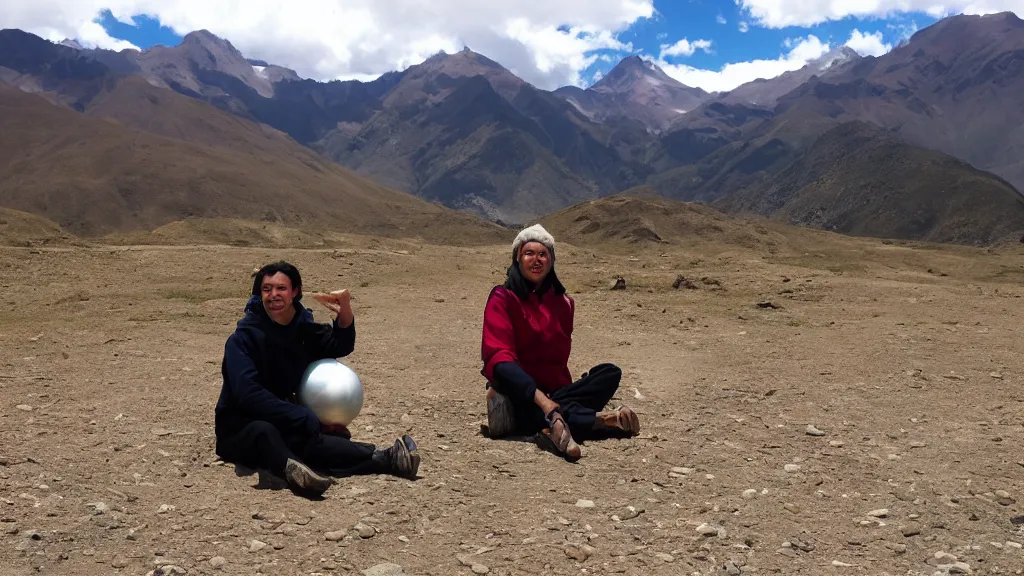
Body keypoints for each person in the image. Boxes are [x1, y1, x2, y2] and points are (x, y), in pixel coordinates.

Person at [214, 261, 420, 497]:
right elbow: (247, 395)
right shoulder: (243, 339)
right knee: (266, 432)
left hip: (283, 418)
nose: (273, 295)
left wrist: (345, 309)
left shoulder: (302, 330)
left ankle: (387, 459)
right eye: (267, 289)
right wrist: (302, 416)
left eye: (281, 288)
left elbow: (339, 344)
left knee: (311, 439)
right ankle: (292, 471)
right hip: (239, 428)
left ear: (295, 292)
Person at [480, 224, 640, 461]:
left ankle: (552, 422)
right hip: (520, 393)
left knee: (609, 373)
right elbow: (498, 357)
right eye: (529, 254)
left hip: (556, 392)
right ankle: (601, 420)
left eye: (543, 254)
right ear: (517, 258)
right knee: (523, 396)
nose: (537, 260)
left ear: (551, 260)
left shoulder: (564, 304)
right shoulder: (503, 298)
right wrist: (544, 402)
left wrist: (553, 401)